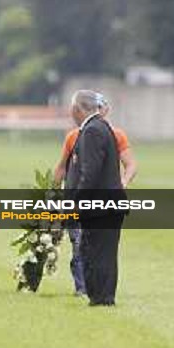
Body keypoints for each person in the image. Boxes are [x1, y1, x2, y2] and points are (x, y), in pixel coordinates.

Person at [54, 93, 137, 296]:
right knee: (88, 248)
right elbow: (62, 167)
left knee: (91, 248)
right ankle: (92, 291)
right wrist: (53, 195)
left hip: (93, 202)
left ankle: (96, 294)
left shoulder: (96, 131)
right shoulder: (81, 133)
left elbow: (91, 173)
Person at [65, 90, 126, 307]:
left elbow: (89, 173)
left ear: (77, 109)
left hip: (99, 207)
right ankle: (103, 297)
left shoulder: (92, 131)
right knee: (102, 253)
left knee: (97, 252)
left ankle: (101, 298)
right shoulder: (101, 126)